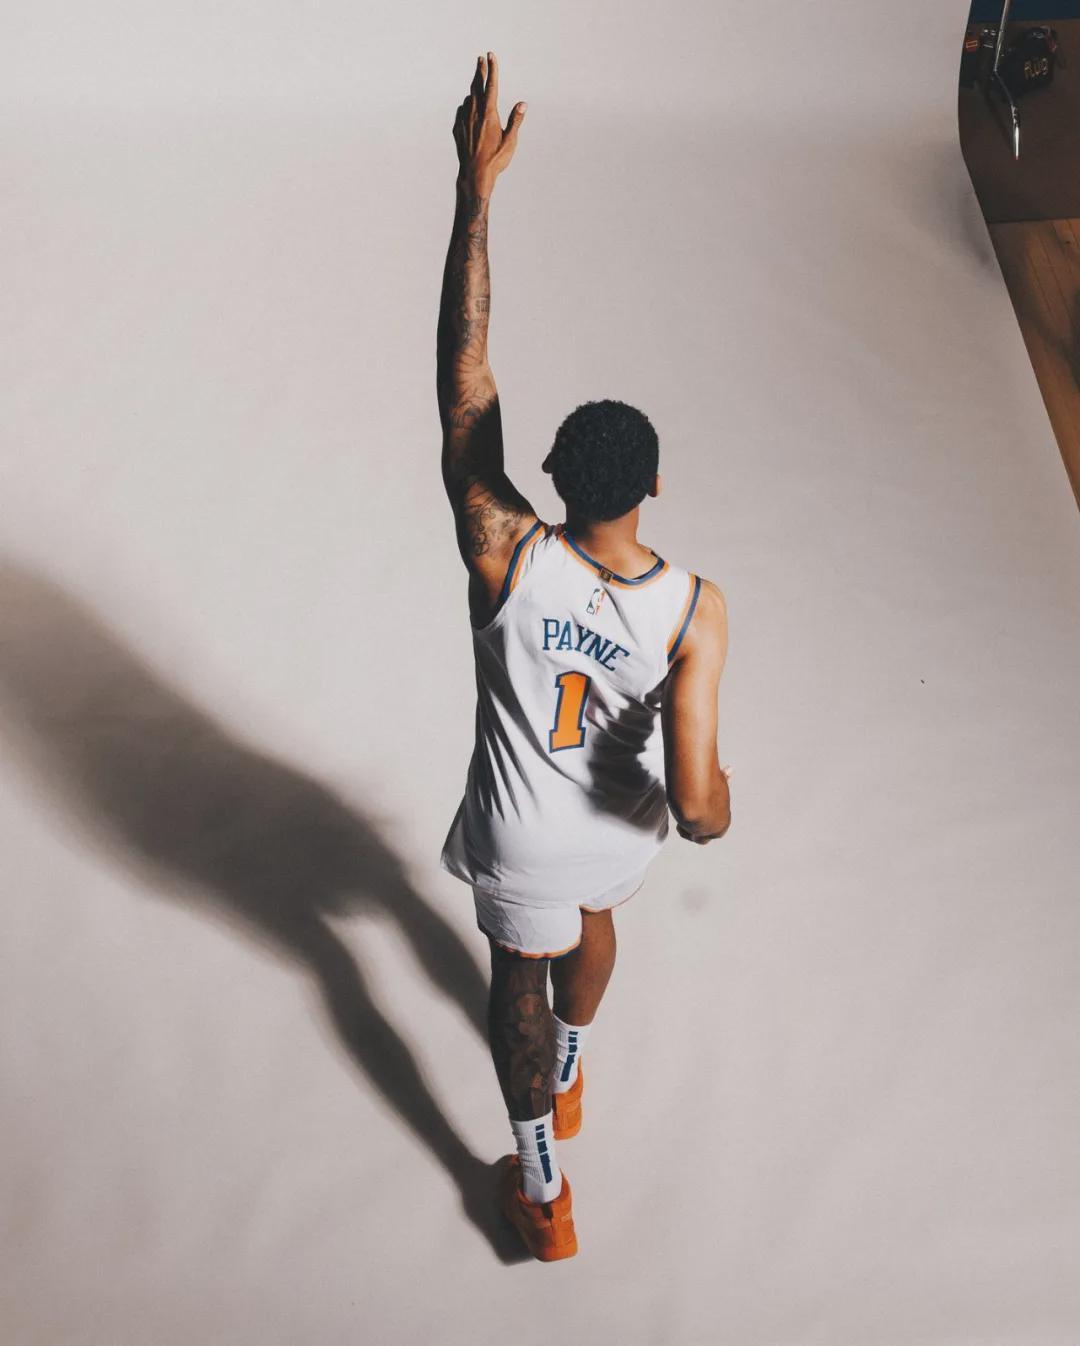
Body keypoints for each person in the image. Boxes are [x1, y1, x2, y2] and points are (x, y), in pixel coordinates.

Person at [435, 52, 731, 1262]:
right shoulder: (698, 606)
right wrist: (714, 807)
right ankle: (571, 1072)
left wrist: (475, 196)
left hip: (519, 838)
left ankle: (542, 1187)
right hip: (618, 833)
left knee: (521, 967)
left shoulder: (504, 547)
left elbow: (463, 382)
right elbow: (701, 808)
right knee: (598, 914)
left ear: (552, 476)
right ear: (655, 481)